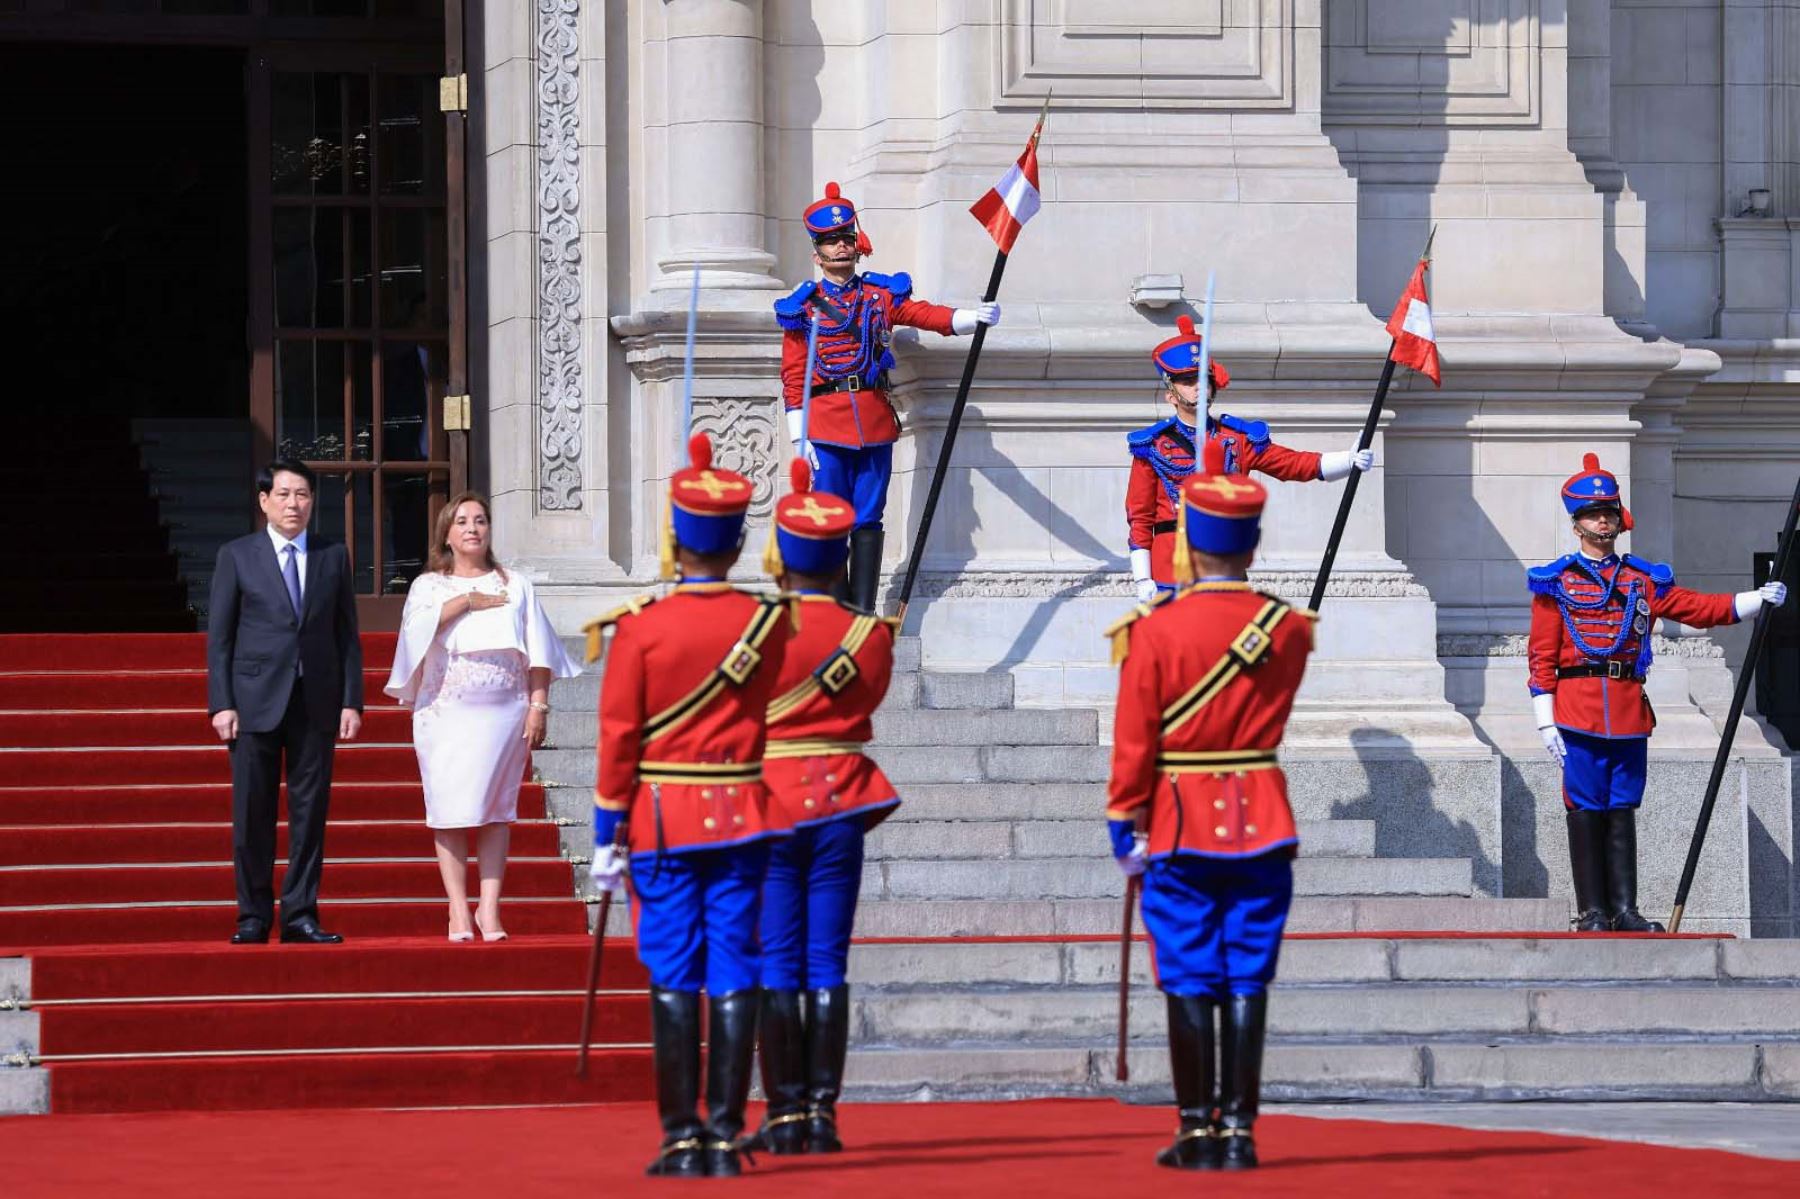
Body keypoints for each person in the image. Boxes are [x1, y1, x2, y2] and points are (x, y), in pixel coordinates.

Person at [584, 434, 793, 1178]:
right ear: (739, 540)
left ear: (675, 536)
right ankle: (729, 1134)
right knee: (736, 967)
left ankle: (681, 1135)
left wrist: (607, 833)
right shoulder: (769, 625)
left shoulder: (640, 628)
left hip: (663, 821)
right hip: (740, 814)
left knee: (674, 973)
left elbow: (618, 741)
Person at [1104, 438, 1315, 1171]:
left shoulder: (1153, 631)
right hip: (1261, 809)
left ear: (1188, 537)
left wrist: (1123, 819)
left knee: (1191, 969)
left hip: (1180, 816)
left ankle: (1198, 1125)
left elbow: (1134, 740)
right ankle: (1242, 1129)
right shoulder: (1288, 628)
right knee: (1249, 970)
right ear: (1252, 541)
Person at [1528, 453, 1788, 932]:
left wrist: (1753, 600)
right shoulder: (1555, 582)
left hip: (1627, 707)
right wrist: (1545, 717)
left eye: (1608, 511)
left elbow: (1695, 607)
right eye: (1592, 513)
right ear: (1577, 523)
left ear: (1618, 520)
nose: (1602, 519)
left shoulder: (1640, 580)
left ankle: (1625, 908)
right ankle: (1592, 912)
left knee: (1623, 803)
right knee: (1585, 804)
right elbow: (1542, 656)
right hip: (1576, 707)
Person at [751, 460, 899, 1156]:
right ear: (841, 553)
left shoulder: (751, 631)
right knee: (826, 959)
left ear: (779, 552)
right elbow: (866, 703)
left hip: (772, 801)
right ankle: (823, 1112)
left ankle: (783, 1111)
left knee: (777, 956)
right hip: (841, 798)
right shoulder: (870, 635)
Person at [776, 180, 1002, 611]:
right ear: (816, 253)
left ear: (857, 244)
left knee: (868, 517)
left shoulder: (878, 296)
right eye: (830, 242)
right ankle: (835, 612)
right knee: (829, 521)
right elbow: (792, 377)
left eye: (846, 238)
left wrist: (970, 317)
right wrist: (798, 436)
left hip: (873, 422)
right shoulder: (802, 309)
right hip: (824, 426)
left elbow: (923, 314)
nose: (841, 247)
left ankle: (862, 612)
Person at [384, 492, 580, 942]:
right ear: (447, 535)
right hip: (445, 713)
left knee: (496, 812)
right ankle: (457, 909)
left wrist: (538, 705)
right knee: (449, 811)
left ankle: (489, 910)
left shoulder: (516, 584)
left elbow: (540, 650)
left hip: (504, 714)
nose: (473, 528)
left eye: (480, 520)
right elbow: (414, 636)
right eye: (462, 521)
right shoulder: (428, 586)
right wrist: (467, 600)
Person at [206, 459, 363, 945]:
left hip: (315, 699)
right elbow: (221, 638)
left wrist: (351, 701)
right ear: (264, 501)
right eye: (285, 494)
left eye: (303, 495)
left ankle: (300, 914)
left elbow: (347, 636)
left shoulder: (332, 555)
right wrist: (221, 703)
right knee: (252, 812)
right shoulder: (237, 556)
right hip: (254, 700)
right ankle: (252, 916)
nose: (294, 503)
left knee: (309, 812)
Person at [1125, 314, 1374, 603]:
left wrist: (1347, 459)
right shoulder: (1152, 445)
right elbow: (1140, 516)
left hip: (1224, 565)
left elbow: (1290, 464)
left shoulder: (1238, 438)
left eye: (1203, 378)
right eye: (1187, 380)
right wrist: (1143, 578)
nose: (1198, 386)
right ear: (1170, 394)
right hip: (1171, 571)